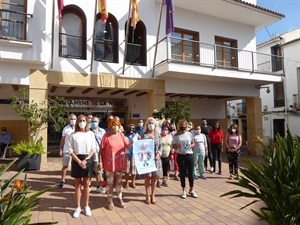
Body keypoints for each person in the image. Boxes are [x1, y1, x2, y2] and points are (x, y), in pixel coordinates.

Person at [68, 115, 96, 218]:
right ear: (77, 122)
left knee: (87, 184)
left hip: (87, 159)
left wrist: (86, 160)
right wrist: (79, 161)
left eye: (84, 120)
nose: (82, 122)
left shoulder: (90, 134)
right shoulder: (73, 135)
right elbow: (70, 150)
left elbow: (93, 148)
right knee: (77, 184)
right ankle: (78, 207)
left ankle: (86, 206)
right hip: (77, 160)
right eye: (80, 120)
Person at [100, 118, 131, 210]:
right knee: (110, 183)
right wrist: (100, 162)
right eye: (113, 125)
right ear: (110, 126)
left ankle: (119, 198)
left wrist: (134, 142)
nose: (115, 127)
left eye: (117, 125)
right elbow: (101, 150)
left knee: (119, 182)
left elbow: (127, 145)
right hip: (109, 164)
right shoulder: (106, 136)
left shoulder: (121, 135)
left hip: (119, 164)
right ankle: (110, 200)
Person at [172, 119, 197, 199]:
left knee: (191, 173)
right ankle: (183, 190)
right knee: (182, 173)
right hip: (181, 155)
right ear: (179, 125)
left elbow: (193, 143)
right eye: (181, 124)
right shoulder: (176, 135)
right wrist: (178, 145)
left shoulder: (189, 134)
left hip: (189, 155)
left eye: (184, 124)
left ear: (186, 125)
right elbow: (173, 146)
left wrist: (190, 146)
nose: (183, 125)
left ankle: (191, 189)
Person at [142, 117, 163, 204]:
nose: (151, 125)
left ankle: (153, 195)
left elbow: (160, 147)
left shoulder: (158, 135)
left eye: (152, 123)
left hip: (156, 160)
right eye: (149, 124)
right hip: (147, 160)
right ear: (147, 125)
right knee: (147, 178)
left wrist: (158, 153)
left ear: (155, 125)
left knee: (154, 178)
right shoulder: (145, 135)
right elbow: (141, 147)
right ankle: (147, 195)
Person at [58, 114, 76, 188]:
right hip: (67, 150)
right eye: (71, 119)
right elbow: (62, 140)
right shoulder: (66, 128)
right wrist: (60, 149)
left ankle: (76, 181)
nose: (73, 120)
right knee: (65, 166)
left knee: (75, 166)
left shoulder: (79, 128)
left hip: (76, 151)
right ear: (69, 120)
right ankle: (62, 180)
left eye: (74, 119)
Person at [90, 116, 106, 193]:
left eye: (95, 121)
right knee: (89, 171)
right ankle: (88, 186)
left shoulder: (102, 131)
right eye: (92, 121)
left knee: (99, 171)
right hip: (89, 154)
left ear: (98, 122)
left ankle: (99, 186)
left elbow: (105, 142)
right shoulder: (87, 130)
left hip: (98, 154)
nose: (94, 123)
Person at [124, 124, 141, 189]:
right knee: (127, 169)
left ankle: (133, 182)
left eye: (133, 128)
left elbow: (140, 140)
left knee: (134, 169)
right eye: (130, 128)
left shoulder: (136, 135)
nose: (131, 129)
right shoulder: (125, 136)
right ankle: (126, 182)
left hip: (134, 154)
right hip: (127, 153)